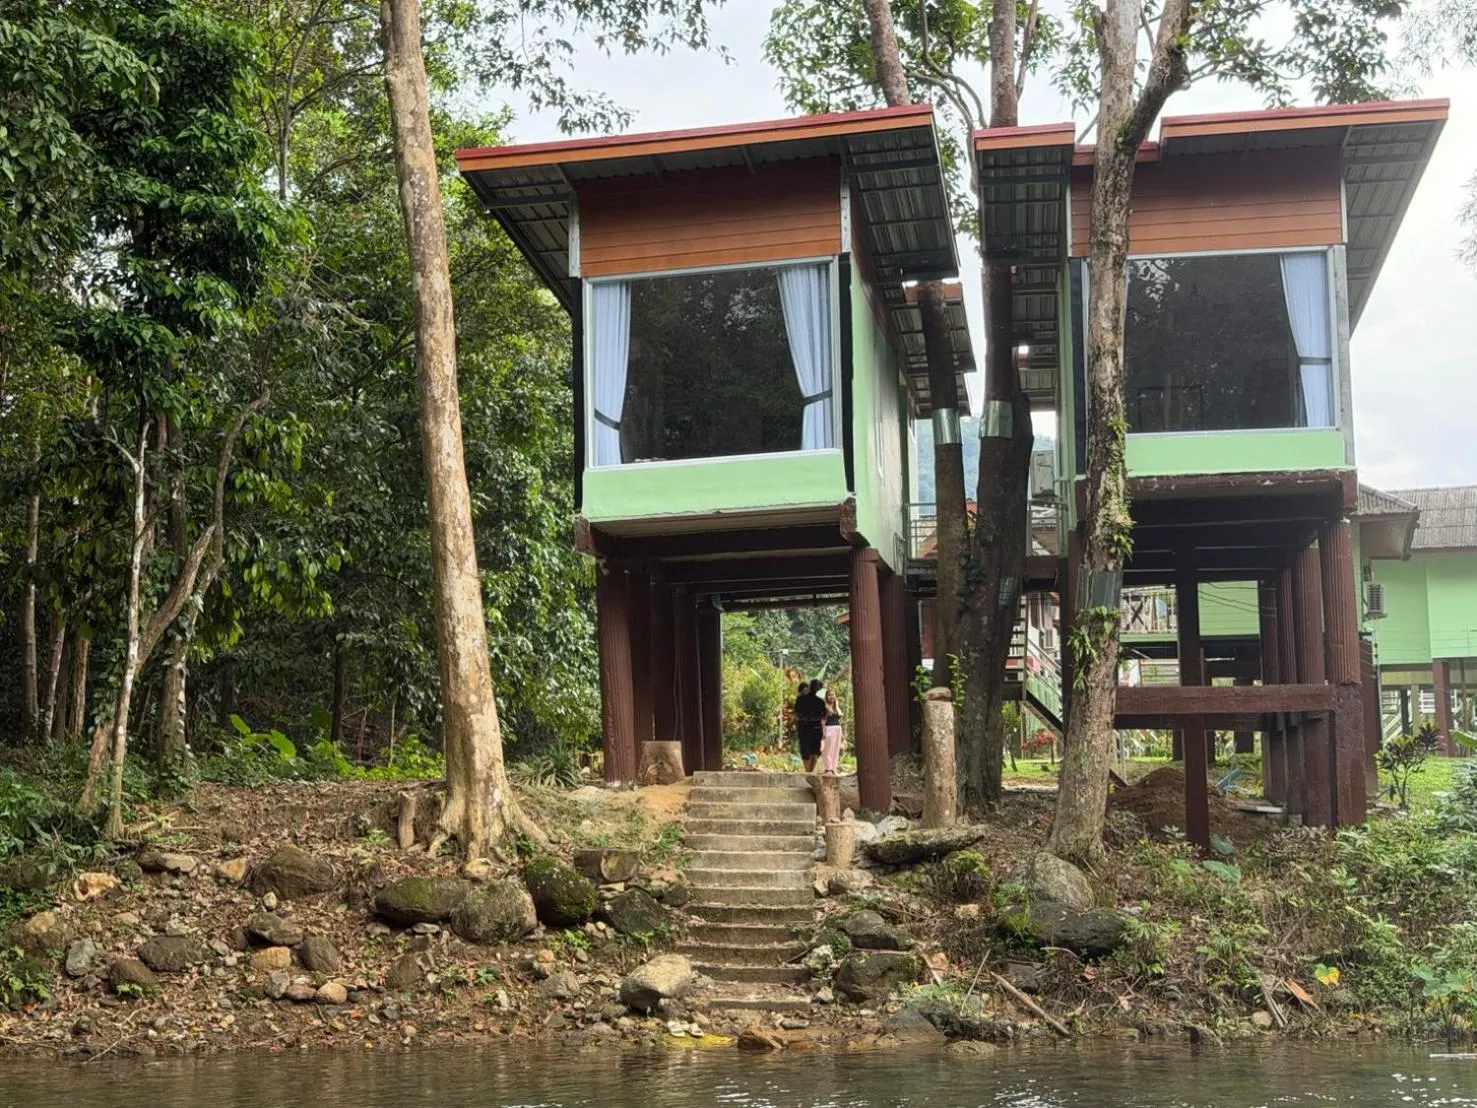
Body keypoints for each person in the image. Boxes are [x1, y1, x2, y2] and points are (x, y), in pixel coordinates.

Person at [794, 678, 826, 773]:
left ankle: (808, 772)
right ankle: (809, 772)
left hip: (804, 726)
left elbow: (797, 713)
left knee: (806, 750)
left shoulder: (800, 699)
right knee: (814, 751)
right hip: (814, 726)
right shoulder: (820, 701)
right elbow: (823, 715)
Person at [820, 689, 845, 775]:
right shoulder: (825, 707)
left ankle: (833, 768)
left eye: (833, 695)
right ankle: (828, 768)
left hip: (838, 730)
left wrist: (842, 735)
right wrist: (823, 732)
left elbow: (839, 721)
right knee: (828, 750)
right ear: (826, 697)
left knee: (835, 750)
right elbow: (822, 721)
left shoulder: (836, 708)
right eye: (829, 695)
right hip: (829, 729)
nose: (831, 697)